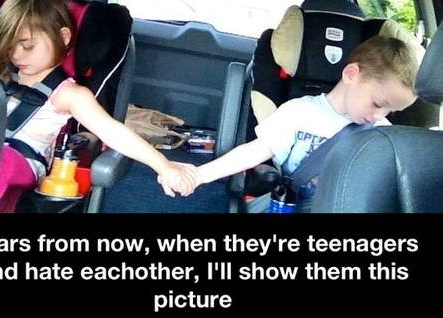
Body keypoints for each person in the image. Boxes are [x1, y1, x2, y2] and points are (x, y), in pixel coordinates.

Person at [0, 0, 196, 212]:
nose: (16, 55)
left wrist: (163, 165)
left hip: (22, 161)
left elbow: (114, 133)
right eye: (10, 45)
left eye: (28, 46)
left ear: (63, 37)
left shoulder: (68, 94)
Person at [170, 35, 420, 211]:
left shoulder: (384, 134)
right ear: (351, 74)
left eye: (392, 110)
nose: (380, 115)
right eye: (378, 103)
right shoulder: (300, 112)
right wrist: (199, 174)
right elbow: (254, 151)